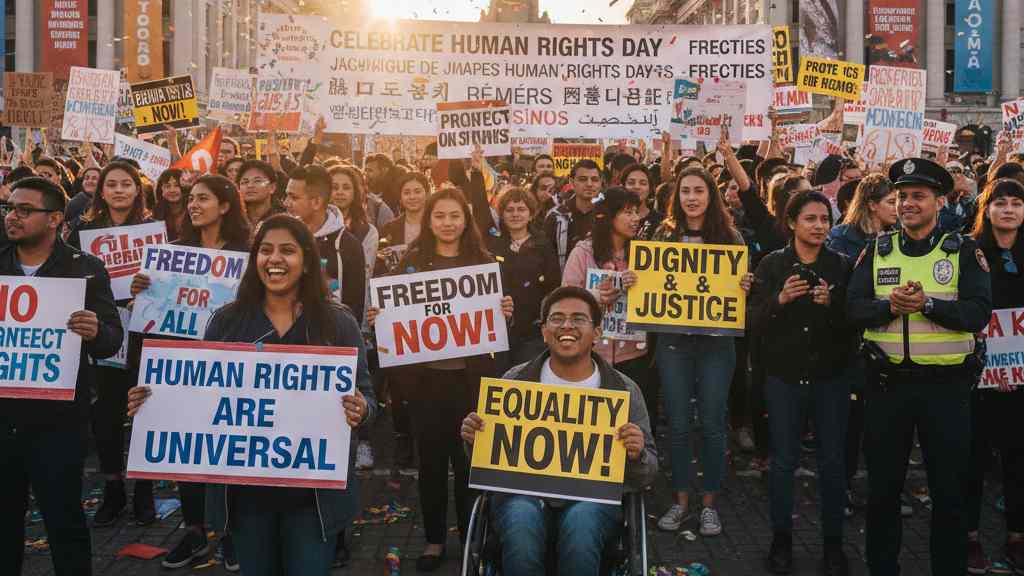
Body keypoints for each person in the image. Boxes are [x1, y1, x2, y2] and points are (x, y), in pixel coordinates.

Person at [127, 214, 373, 576]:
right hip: (245, 499)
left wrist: (362, 408)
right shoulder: (227, 322)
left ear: (306, 262)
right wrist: (155, 403)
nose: (275, 259)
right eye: (266, 250)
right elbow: (199, 394)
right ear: (254, 259)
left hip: (313, 501)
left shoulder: (338, 323)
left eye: (287, 251)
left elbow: (368, 397)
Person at [847, 158, 992, 576]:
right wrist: (886, 308)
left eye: (918, 196)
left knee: (949, 493)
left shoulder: (963, 250)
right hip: (887, 387)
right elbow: (852, 310)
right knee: (883, 492)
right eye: (902, 196)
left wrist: (929, 305)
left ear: (939, 201)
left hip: (945, 390)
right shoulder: (876, 249)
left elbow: (978, 312)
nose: (908, 203)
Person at [460, 286, 658, 576]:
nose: (567, 326)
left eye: (578, 319)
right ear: (543, 331)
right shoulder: (514, 381)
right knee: (521, 524)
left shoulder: (625, 390)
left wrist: (637, 453)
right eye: (557, 318)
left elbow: (648, 471)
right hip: (520, 496)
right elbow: (484, 462)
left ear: (596, 332)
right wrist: (473, 440)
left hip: (593, 500)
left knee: (581, 525)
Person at [367, 187, 514, 572]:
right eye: (440, 216)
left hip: (470, 382)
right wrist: (378, 318)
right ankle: (434, 540)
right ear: (429, 221)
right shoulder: (411, 262)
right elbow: (392, 315)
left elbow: (496, 324)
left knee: (469, 464)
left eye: (455, 216)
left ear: (466, 221)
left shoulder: (483, 262)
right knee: (431, 462)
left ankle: (470, 538)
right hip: (425, 384)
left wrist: (505, 312)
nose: (448, 223)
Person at [0, 176, 123, 576]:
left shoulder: (84, 269)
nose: (12, 217)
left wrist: (96, 331)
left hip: (58, 424)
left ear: (54, 218)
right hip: (2, 420)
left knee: (65, 523)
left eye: (24, 210)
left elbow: (111, 340)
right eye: (9, 208)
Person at [128, 173, 251, 570]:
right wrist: (142, 291)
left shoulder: (248, 254)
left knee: (230, 449)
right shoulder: (173, 254)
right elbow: (155, 314)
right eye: (191, 198)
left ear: (226, 205)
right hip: (183, 365)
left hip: (231, 366)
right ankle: (197, 530)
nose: (193, 204)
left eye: (203, 198)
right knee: (190, 449)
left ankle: (233, 532)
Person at [749, 190, 854, 575]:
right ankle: (781, 541)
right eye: (810, 219)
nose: (819, 227)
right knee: (783, 463)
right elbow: (752, 322)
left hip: (831, 378)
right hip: (784, 379)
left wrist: (833, 307)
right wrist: (780, 300)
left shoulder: (842, 265)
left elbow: (855, 323)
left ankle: (833, 545)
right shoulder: (772, 265)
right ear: (791, 222)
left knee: (832, 463)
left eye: (825, 219)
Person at [653, 166, 752, 536]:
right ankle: (680, 502)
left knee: (712, 423)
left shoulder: (730, 238)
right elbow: (650, 284)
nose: (691, 198)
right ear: (676, 197)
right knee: (677, 424)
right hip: (675, 342)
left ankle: (708, 504)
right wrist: (634, 279)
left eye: (698, 190)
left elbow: (741, 293)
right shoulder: (663, 236)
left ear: (710, 196)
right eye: (685, 191)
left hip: (715, 343)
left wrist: (745, 284)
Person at [64, 161, 157, 527]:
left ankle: (145, 491)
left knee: (145, 409)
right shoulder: (83, 232)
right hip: (101, 332)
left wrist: (148, 284)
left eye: (126, 184)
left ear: (137, 190)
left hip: (143, 330)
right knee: (105, 413)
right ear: (100, 191)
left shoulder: (154, 233)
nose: (119, 190)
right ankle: (113, 490)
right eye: (112, 184)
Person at [827, 173, 899, 517]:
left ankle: (884, 491)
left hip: (886, 342)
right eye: (891, 202)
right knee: (850, 424)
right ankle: (842, 488)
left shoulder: (900, 238)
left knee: (883, 425)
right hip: (848, 344)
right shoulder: (841, 238)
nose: (899, 208)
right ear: (872, 205)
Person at [965, 178, 1024, 573]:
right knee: (973, 458)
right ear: (986, 210)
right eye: (1000, 203)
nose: (1008, 210)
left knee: (1019, 460)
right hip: (979, 377)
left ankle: (1017, 537)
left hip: (1020, 378)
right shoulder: (972, 254)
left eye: (1016, 203)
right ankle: (969, 537)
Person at [561, 187, 654, 423]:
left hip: (634, 354)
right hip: (592, 355)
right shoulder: (582, 253)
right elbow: (566, 298)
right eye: (628, 212)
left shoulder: (645, 254)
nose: (636, 219)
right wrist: (596, 297)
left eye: (637, 212)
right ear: (609, 215)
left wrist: (642, 284)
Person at [487, 187, 561, 369]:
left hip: (533, 332)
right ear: (502, 214)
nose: (515, 214)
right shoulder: (493, 246)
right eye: (509, 210)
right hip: (499, 330)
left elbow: (553, 285)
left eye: (521, 209)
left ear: (531, 214)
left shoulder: (543, 245)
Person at [284, 165, 366, 322]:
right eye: (286, 196)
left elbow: (354, 308)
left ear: (316, 202)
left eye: (294, 198)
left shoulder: (348, 246)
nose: (286, 203)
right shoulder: (279, 236)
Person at [545, 159, 602, 269]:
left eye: (594, 179)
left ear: (601, 182)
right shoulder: (556, 216)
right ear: (571, 182)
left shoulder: (609, 215)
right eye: (583, 179)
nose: (589, 184)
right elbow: (547, 257)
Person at [377, 172, 429, 271]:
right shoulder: (389, 228)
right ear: (400, 197)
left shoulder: (438, 225)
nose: (412, 197)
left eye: (417, 192)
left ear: (426, 193)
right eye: (406, 193)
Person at [236, 160, 284, 228]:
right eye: (245, 182)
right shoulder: (233, 218)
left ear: (272, 187)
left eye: (257, 181)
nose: (250, 185)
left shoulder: (284, 218)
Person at [151, 168, 188, 242]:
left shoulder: (193, 209)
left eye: (177, 185)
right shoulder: (156, 211)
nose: (172, 190)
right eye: (167, 186)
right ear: (161, 189)